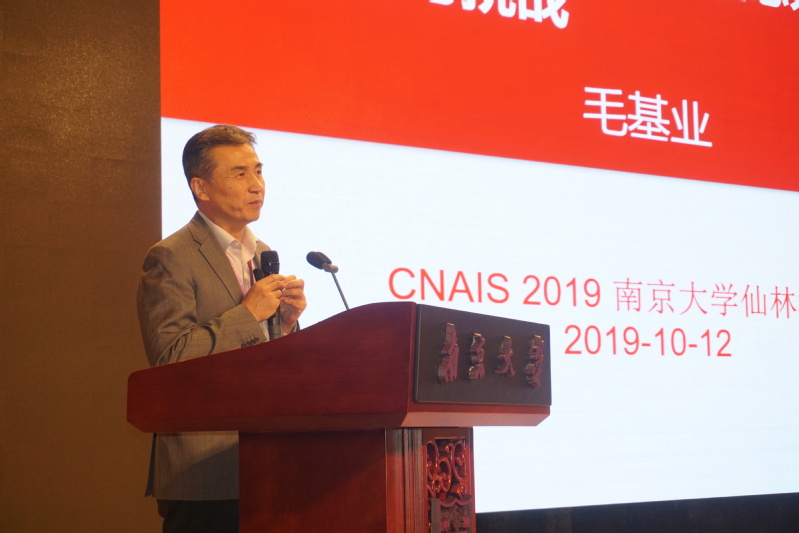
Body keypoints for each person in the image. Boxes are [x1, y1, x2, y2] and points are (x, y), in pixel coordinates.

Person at [136, 124, 307, 533]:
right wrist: (247, 314)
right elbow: (171, 358)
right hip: (204, 472)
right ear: (201, 187)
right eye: (240, 173)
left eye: (258, 171)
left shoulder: (262, 253)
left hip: (269, 462)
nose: (256, 185)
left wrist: (286, 326)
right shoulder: (170, 257)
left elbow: (269, 364)